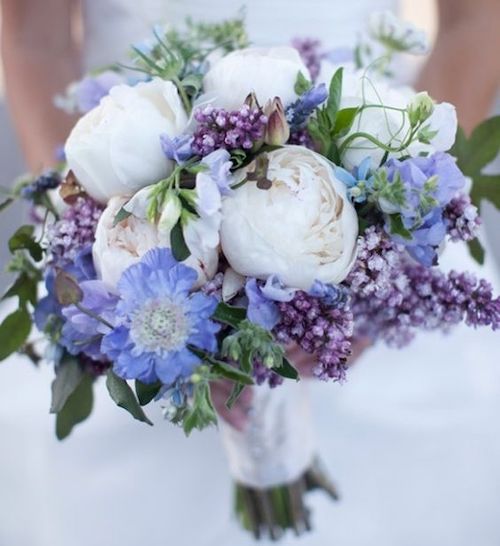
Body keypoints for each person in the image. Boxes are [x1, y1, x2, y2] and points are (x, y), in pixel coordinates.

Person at [0, 1, 500, 545]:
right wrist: (91, 222)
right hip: (134, 201)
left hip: (367, 164)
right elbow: (34, 39)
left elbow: (476, 18)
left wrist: (387, 246)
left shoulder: (387, 258)